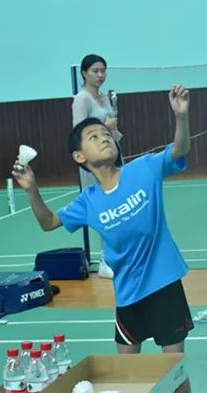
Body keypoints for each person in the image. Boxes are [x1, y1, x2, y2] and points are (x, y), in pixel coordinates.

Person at [13, 85, 194, 359]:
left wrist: (181, 115)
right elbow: (49, 222)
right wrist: (31, 189)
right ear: (80, 156)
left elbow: (179, 150)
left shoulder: (143, 168)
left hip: (164, 284)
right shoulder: (88, 201)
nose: (104, 139)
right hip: (127, 294)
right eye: (94, 137)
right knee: (127, 372)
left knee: (174, 370)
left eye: (107, 134)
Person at [72, 54, 123, 278]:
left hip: (113, 155)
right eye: (95, 71)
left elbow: (110, 129)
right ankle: (105, 261)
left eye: (103, 70)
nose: (100, 75)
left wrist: (113, 130)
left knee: (118, 205)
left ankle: (117, 256)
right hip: (94, 163)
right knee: (104, 208)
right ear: (84, 73)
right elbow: (79, 131)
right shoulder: (81, 99)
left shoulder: (104, 97)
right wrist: (104, 124)